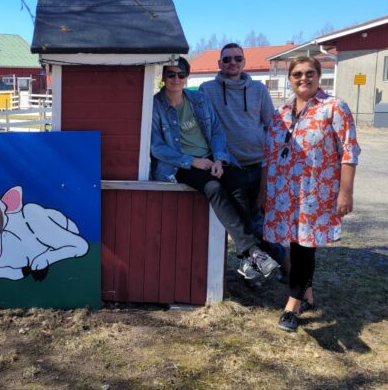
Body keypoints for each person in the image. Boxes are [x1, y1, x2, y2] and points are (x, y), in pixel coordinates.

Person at [151, 57, 280, 280]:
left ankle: (248, 255)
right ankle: (253, 251)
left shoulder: (199, 100)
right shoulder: (155, 106)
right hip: (180, 164)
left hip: (211, 158)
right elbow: (156, 146)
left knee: (236, 181)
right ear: (163, 78)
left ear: (186, 77)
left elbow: (218, 132)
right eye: (171, 74)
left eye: (181, 75)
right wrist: (191, 161)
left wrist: (219, 159)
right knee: (214, 188)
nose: (176, 79)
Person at [261, 56, 360, 332]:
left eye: (309, 73)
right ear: (289, 78)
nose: (303, 79)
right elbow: (269, 157)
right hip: (284, 194)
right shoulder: (281, 113)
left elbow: (349, 152)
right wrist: (263, 192)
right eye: (297, 74)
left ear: (319, 75)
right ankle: (308, 295)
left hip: (316, 193)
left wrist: (345, 193)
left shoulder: (334, 108)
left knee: (305, 246)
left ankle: (292, 306)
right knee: (296, 244)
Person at [199, 43, 287, 287]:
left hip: (258, 166)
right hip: (230, 167)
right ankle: (255, 272)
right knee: (242, 221)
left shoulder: (258, 90)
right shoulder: (207, 90)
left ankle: (281, 262)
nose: (232, 63)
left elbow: (273, 125)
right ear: (219, 64)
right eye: (227, 59)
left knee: (260, 222)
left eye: (237, 58)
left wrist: (277, 161)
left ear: (244, 61)